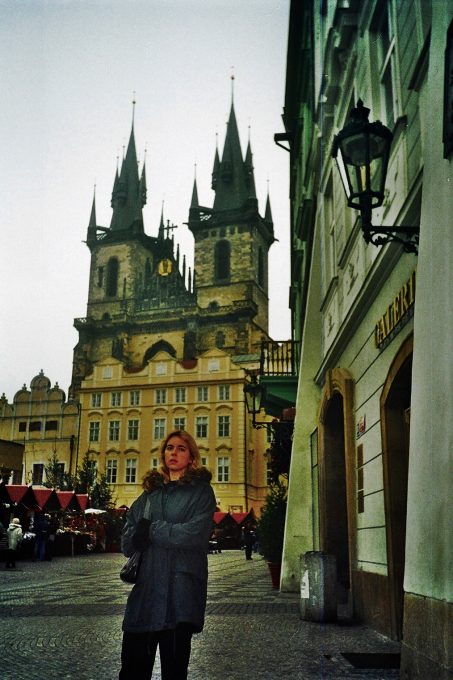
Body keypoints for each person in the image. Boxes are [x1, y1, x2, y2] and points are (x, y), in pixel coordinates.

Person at [119, 430, 216, 680]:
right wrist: (136, 535)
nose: (174, 452)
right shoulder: (150, 493)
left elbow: (195, 533)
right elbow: (128, 541)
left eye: (181, 448)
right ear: (163, 454)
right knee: (132, 670)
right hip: (146, 594)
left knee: (174, 672)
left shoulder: (201, 492)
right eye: (170, 447)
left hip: (179, 594)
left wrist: (152, 529)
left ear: (192, 457)